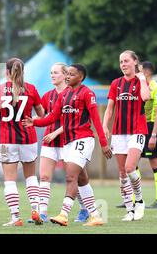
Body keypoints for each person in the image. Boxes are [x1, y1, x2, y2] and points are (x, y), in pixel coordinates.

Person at [25, 64, 112, 227]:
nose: (68, 77)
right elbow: (52, 117)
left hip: (83, 140)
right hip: (68, 142)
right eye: (67, 74)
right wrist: (34, 122)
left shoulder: (87, 93)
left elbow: (96, 120)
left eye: (71, 74)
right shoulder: (63, 96)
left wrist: (104, 143)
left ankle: (63, 215)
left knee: (70, 176)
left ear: (81, 77)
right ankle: (95, 215)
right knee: (82, 179)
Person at [0, 58, 44, 226]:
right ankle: (36, 210)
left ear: (6, 72)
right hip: (29, 139)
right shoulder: (31, 89)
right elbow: (41, 114)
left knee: (10, 180)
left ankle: (15, 217)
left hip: (8, 141)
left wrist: (4, 117)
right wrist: (31, 119)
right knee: (31, 177)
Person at [38, 63, 93, 223]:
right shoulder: (48, 95)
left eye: (56, 73)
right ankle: (42, 214)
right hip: (49, 141)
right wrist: (34, 121)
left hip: (68, 141)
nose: (52, 76)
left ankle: (85, 209)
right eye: (51, 73)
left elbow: (75, 122)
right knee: (45, 176)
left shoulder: (75, 94)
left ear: (65, 74)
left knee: (77, 177)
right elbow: (47, 117)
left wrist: (56, 132)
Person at [103, 50, 150, 221]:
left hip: (137, 130)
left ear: (135, 62)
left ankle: (139, 200)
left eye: (126, 61)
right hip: (118, 133)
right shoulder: (116, 83)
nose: (123, 64)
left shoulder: (141, 82)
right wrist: (104, 126)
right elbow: (109, 108)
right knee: (122, 174)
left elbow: (146, 97)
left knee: (130, 168)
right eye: (121, 61)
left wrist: (143, 78)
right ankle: (130, 211)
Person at [139, 61, 157, 208]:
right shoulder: (141, 87)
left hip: (151, 127)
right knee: (132, 160)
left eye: (140, 70)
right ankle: (134, 199)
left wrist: (154, 134)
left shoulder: (156, 87)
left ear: (146, 72)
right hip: (140, 127)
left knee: (154, 162)